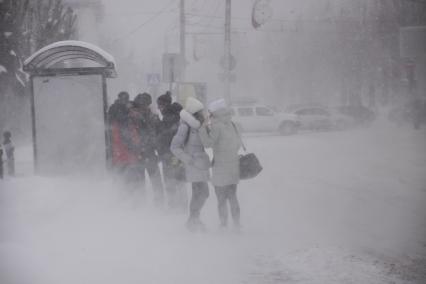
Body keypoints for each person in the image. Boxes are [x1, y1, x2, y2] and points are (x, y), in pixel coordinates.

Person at [199, 98, 242, 230]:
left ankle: (223, 224)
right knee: (233, 196)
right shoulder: (232, 124)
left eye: (210, 114)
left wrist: (203, 128)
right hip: (233, 166)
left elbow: (207, 143)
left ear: (215, 113)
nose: (209, 116)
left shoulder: (216, 126)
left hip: (221, 168)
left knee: (221, 199)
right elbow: (237, 144)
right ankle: (237, 224)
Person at [170, 97, 210, 231]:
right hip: (193, 165)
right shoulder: (185, 126)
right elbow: (174, 147)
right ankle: (193, 220)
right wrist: (189, 159)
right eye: (200, 112)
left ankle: (193, 220)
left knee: (202, 193)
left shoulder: (199, 126)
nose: (203, 114)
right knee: (200, 192)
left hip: (201, 164)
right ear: (195, 113)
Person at [129, 92, 164, 206]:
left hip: (143, 152)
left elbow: (159, 133)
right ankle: (153, 203)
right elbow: (159, 134)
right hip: (145, 152)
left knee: (142, 180)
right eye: (145, 104)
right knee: (153, 180)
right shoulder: (139, 116)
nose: (147, 106)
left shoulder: (138, 115)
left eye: (148, 104)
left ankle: (141, 204)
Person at [156, 92, 187, 211]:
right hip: (177, 155)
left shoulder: (168, 119)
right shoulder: (176, 116)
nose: (158, 107)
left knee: (170, 179)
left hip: (170, 155)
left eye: (159, 105)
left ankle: (173, 206)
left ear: (164, 105)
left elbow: (165, 138)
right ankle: (183, 204)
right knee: (179, 179)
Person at [108, 91, 138, 172]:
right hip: (125, 152)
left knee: (120, 173)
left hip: (118, 152)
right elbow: (126, 137)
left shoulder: (114, 111)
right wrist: (133, 148)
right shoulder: (124, 116)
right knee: (127, 174)